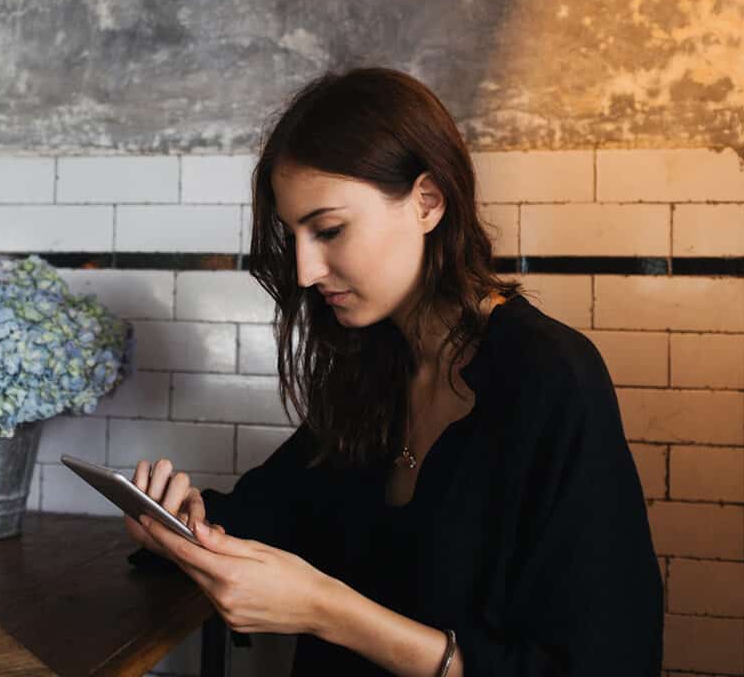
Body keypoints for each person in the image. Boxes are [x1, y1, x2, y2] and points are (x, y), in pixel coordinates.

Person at [123, 67, 663, 676]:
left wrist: (329, 610)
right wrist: (184, 523)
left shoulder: (552, 378)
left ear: (428, 202)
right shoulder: (370, 365)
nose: (304, 270)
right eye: (292, 234)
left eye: (329, 230)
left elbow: (601, 663)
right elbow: (271, 513)